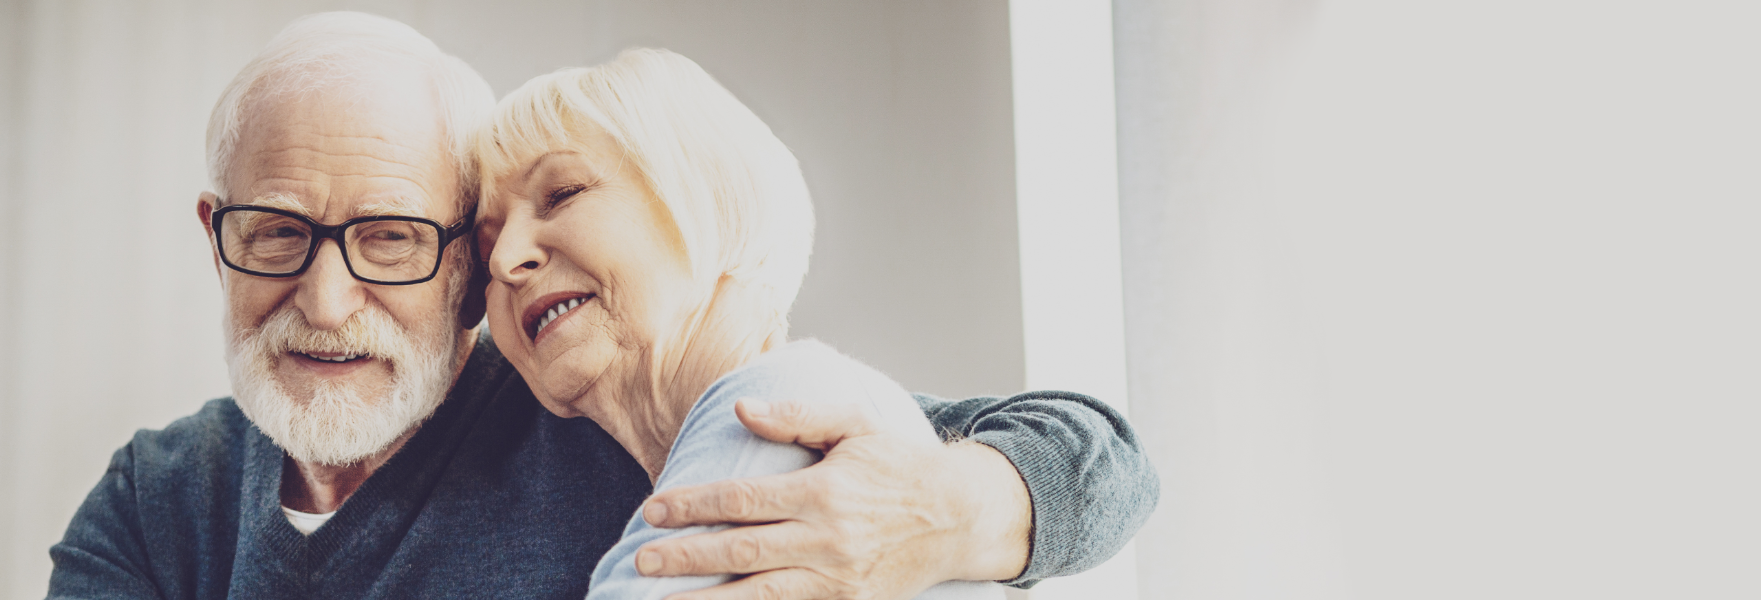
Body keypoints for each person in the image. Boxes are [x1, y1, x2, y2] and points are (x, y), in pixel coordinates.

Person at [46, 12, 1157, 600]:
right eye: (279, 233)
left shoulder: (614, 421)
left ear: (461, 272)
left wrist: (946, 512)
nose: (327, 300)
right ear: (215, 237)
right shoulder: (155, 502)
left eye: (390, 239)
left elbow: (1099, 461)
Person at [470, 48, 1031, 598]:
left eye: (562, 193)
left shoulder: (784, 406)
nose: (503, 260)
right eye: (485, 248)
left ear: (709, 197)